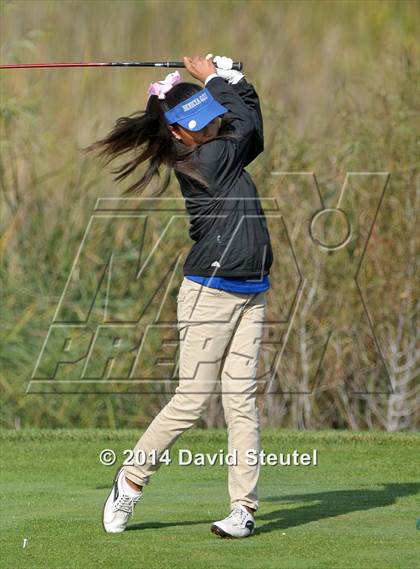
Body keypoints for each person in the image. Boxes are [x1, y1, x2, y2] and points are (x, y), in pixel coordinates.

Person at [86, 54, 273, 538]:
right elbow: (247, 125)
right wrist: (215, 76)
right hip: (210, 292)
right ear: (177, 134)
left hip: (251, 290)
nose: (209, 127)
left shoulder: (218, 146)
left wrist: (234, 78)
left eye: (210, 118)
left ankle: (242, 509)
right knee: (191, 400)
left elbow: (248, 125)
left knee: (241, 402)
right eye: (198, 124)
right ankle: (130, 479)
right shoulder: (202, 159)